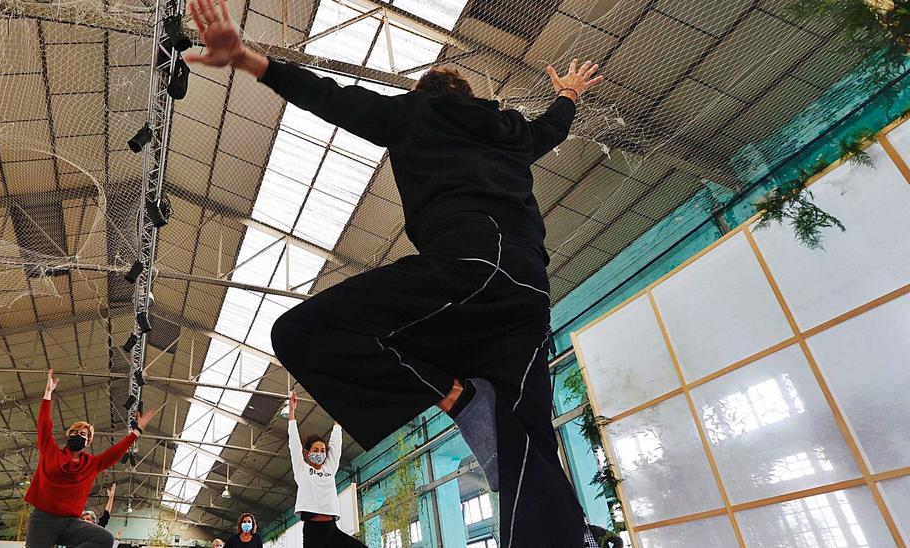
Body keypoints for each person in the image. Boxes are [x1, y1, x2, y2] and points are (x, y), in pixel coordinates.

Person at [184, 0, 604, 544]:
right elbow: (552, 128)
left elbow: (333, 100)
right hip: (527, 289)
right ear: (469, 97)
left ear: (422, 95)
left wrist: (247, 58)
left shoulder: (415, 113)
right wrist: (569, 92)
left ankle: (455, 394)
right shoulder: (508, 130)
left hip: (466, 266)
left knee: (302, 332)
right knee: (531, 446)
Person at [23, 369, 157, 548]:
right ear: (68, 435)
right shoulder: (50, 451)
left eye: (83, 434)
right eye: (75, 432)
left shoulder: (92, 464)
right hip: (43, 520)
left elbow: (115, 452)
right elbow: (44, 425)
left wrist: (137, 431)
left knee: (104, 539)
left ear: (88, 441)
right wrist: (48, 393)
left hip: (70, 523)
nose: (78, 435)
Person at [283, 393, 358, 548]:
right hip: (312, 531)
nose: (319, 453)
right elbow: (294, 445)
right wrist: (291, 413)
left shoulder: (330, 467)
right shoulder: (302, 469)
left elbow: (336, 442)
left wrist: (338, 418)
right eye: (315, 450)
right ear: (308, 453)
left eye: (322, 450)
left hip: (331, 529)